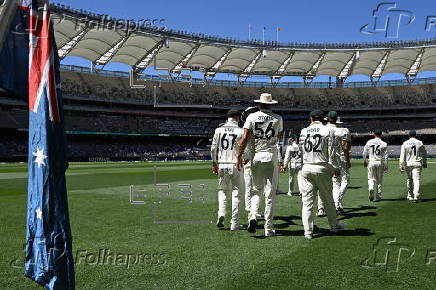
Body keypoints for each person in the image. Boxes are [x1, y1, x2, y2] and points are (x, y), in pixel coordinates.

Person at [237, 93, 283, 237]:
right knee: (270, 194)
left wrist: (239, 156)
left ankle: (252, 217)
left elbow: (244, 138)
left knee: (256, 190)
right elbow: (279, 137)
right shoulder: (278, 118)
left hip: (256, 156)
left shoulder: (251, 117)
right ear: (271, 104)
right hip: (271, 156)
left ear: (259, 104)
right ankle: (268, 229)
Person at [299, 110, 344, 239]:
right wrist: (335, 168)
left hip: (306, 167)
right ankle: (334, 227)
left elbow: (302, 150)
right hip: (322, 166)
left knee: (307, 202)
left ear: (311, 118)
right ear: (323, 119)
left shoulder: (303, 131)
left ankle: (308, 232)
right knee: (328, 200)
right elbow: (332, 151)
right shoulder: (327, 130)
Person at [211, 110, 245, 230]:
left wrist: (214, 163)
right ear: (236, 117)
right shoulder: (241, 131)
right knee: (237, 193)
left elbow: (213, 148)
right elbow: (244, 150)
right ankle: (234, 223)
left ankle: (221, 214)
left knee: (222, 191)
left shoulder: (218, 130)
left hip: (222, 164)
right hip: (235, 164)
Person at [325, 111, 351, 214]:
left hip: (323, 159)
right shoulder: (343, 130)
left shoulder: (324, 128)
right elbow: (345, 147)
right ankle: (337, 202)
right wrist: (348, 160)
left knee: (328, 183)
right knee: (342, 181)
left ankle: (322, 208)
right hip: (338, 158)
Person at [399, 130, 427, 202]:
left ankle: (410, 195)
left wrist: (401, 166)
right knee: (416, 179)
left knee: (409, 179)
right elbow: (424, 153)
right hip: (417, 163)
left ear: (409, 135)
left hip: (408, 163)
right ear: (415, 135)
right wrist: (424, 163)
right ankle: (416, 195)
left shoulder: (405, 143)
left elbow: (402, 156)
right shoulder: (419, 142)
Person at [363, 129, 388, 202]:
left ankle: (371, 188)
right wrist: (386, 165)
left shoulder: (369, 142)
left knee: (370, 178)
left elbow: (364, 152)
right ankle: (378, 196)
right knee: (379, 180)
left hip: (371, 161)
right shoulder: (384, 143)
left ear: (374, 134)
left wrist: (364, 160)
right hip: (379, 162)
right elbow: (385, 156)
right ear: (381, 134)